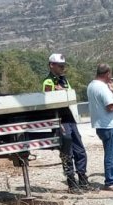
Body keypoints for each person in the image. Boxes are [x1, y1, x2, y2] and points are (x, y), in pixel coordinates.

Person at [43, 53, 90, 192]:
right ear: (52, 65)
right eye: (60, 66)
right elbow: (49, 101)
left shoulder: (64, 80)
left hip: (70, 117)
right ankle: (71, 181)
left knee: (79, 149)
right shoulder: (48, 82)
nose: (63, 68)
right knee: (66, 150)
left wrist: (63, 91)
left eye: (64, 66)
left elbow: (69, 94)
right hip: (59, 119)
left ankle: (82, 177)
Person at [87, 63, 113, 192]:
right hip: (109, 125)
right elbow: (110, 107)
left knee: (111, 153)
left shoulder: (91, 85)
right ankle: (110, 182)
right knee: (111, 155)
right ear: (107, 74)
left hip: (101, 125)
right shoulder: (102, 88)